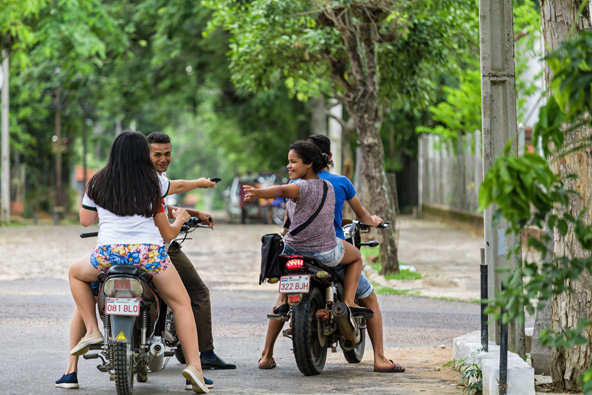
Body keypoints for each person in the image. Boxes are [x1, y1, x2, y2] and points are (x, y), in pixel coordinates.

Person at [63, 131, 210, 393]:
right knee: (181, 302)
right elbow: (167, 234)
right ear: (143, 153)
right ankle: (195, 368)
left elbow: (85, 221)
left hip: (109, 255)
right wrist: (180, 220)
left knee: (75, 274)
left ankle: (93, 330)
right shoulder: (153, 182)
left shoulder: (96, 182)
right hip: (148, 255)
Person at [257, 134, 405, 373]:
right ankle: (379, 357)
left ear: (306, 159)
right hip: (329, 249)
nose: (290, 165)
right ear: (328, 157)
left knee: (282, 299)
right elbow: (363, 217)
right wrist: (374, 221)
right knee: (369, 297)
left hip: (297, 251)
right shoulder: (339, 183)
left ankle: (266, 355)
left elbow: (287, 221)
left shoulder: (296, 185)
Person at [147, 131, 236, 372]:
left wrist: (193, 213)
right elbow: (176, 189)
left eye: (167, 154)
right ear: (145, 154)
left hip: (128, 250)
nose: (163, 159)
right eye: (157, 154)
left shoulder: (131, 178)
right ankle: (204, 354)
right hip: (158, 249)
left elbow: (160, 205)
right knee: (197, 292)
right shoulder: (153, 179)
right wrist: (201, 183)